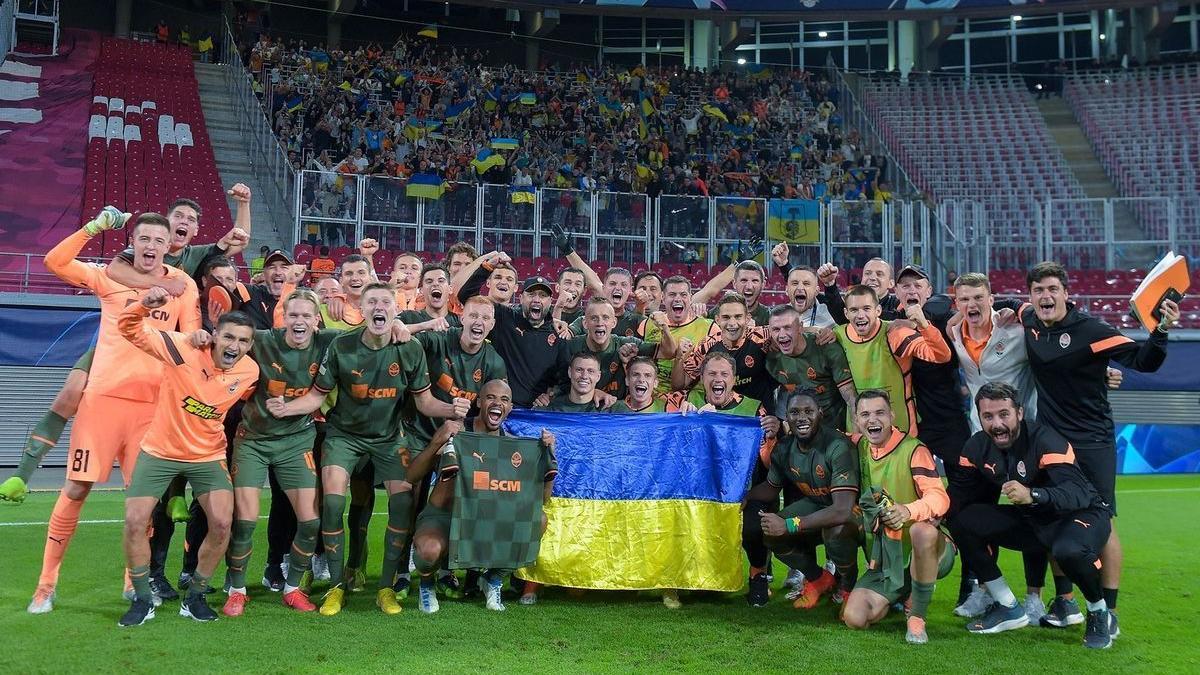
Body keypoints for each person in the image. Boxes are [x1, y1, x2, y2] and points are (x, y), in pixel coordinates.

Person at [26, 210, 201, 614]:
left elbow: (189, 340)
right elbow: (55, 263)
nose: (152, 247)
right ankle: (46, 586)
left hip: (152, 408)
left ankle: (132, 582)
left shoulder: (182, 285)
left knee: (143, 499)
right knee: (76, 488)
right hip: (102, 402)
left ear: (169, 245)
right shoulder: (109, 276)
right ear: (133, 242)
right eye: (144, 239)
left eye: (159, 240)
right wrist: (94, 228)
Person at [265, 282, 470, 616]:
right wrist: (286, 408)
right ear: (361, 309)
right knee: (331, 504)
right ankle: (336, 586)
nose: (379, 307)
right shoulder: (342, 345)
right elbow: (318, 396)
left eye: (385, 302)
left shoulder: (411, 348)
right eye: (371, 301)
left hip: (389, 438)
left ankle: (386, 587)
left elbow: (425, 401)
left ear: (394, 311)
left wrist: (451, 409)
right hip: (343, 436)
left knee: (403, 503)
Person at [1020, 261, 1177, 636]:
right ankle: (1065, 602)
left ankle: (1111, 609)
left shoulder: (1092, 330)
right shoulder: (1028, 320)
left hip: (1092, 442)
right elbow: (1008, 305)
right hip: (1051, 442)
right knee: (1056, 516)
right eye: (1039, 290)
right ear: (1031, 296)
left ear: (1066, 294)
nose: (1046, 296)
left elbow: (1144, 362)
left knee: (1102, 525)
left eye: (1053, 289)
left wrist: (1163, 329)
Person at [116, 290, 257, 626]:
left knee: (222, 524)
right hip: (159, 451)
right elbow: (128, 329)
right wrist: (142, 306)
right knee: (136, 521)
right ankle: (141, 597)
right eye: (228, 337)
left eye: (243, 341)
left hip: (207, 455)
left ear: (250, 346)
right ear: (214, 335)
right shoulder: (183, 348)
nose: (234, 346)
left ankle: (194, 595)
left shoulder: (249, 372)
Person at [951, 383, 1115, 649]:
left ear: (1019, 412)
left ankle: (1098, 612)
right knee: (962, 520)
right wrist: (928, 517)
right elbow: (958, 496)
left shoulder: (1046, 440)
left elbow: (1076, 494)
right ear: (979, 418)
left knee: (1069, 551)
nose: (997, 424)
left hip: (1082, 516)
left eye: (1004, 414)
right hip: (1035, 521)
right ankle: (1007, 605)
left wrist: (1034, 495)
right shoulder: (976, 446)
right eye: (988, 417)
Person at [220, 289, 341, 616]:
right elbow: (225, 338)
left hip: (297, 442)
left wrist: (404, 328)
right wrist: (199, 336)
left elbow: (371, 334)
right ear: (283, 318)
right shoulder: (260, 340)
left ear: (317, 320)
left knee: (310, 521)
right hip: (254, 441)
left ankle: (292, 588)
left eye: (306, 316)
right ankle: (236, 588)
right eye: (293, 315)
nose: (299, 321)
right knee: (244, 521)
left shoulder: (329, 341)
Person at [409, 381, 557, 614]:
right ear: (479, 402)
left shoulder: (512, 446)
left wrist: (549, 455)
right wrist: (437, 440)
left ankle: (493, 579)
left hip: (487, 519)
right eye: (491, 397)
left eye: (504, 400)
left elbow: (542, 500)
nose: (497, 403)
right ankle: (427, 584)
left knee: (538, 520)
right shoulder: (457, 432)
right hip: (445, 517)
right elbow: (411, 475)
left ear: (509, 409)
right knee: (428, 550)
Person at [666, 352, 780, 606]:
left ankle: (759, 574)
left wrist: (771, 438)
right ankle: (681, 579)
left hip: (744, 493)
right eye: (712, 374)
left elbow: (768, 463)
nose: (718, 379)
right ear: (702, 379)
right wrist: (684, 422)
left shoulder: (753, 409)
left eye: (724, 374)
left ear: (734, 379)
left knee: (752, 525)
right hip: (698, 493)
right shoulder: (686, 403)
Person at [842, 390, 953, 645]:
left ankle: (917, 619)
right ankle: (904, 592)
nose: (873, 420)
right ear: (857, 420)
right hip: (886, 562)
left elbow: (940, 498)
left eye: (880, 413)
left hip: (929, 551)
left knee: (921, 531)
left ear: (892, 415)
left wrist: (907, 511)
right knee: (855, 618)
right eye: (866, 414)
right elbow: (822, 436)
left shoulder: (914, 450)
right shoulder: (858, 446)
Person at [746, 390, 860, 609]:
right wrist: (741, 497)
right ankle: (818, 579)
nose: (801, 417)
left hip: (853, 513)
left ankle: (847, 589)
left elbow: (842, 510)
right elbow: (770, 488)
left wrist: (789, 524)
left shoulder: (837, 446)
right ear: (786, 418)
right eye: (794, 412)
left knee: (835, 531)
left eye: (808, 411)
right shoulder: (784, 448)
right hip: (818, 506)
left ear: (821, 413)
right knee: (768, 530)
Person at [834, 285, 951, 435]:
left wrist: (924, 325)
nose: (860, 315)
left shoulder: (896, 334)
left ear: (878, 311)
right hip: (859, 430)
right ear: (846, 313)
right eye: (854, 310)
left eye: (867, 308)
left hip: (899, 429)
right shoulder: (838, 335)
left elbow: (941, 355)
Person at [459, 259, 562, 408]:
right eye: (531, 294)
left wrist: (552, 393)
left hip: (536, 414)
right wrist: (486, 267)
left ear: (550, 301)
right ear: (521, 298)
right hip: (499, 410)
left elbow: (565, 377)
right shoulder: (505, 317)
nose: (537, 299)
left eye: (542, 295)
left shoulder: (559, 334)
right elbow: (466, 296)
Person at [556, 297, 675, 398]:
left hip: (616, 413)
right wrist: (593, 393)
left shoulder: (627, 344)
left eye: (605, 317)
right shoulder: (571, 346)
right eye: (594, 318)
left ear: (614, 322)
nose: (600, 323)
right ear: (585, 323)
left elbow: (669, 353)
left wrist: (664, 327)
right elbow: (560, 386)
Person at [673, 293, 774, 403]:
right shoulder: (706, 345)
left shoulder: (762, 337)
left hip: (759, 414)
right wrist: (679, 358)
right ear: (717, 320)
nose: (732, 323)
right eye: (726, 317)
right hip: (723, 415)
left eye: (738, 317)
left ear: (747, 318)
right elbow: (679, 385)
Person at [765, 305, 856, 426]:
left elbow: (851, 399)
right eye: (776, 329)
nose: (782, 334)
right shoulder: (770, 357)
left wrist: (856, 437)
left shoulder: (826, 347)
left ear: (800, 327)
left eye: (788, 327)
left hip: (833, 427)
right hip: (799, 431)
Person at [637, 275, 716, 395]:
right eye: (672, 294)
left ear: (690, 298)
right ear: (663, 298)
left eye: (683, 295)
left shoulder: (710, 328)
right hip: (652, 398)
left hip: (690, 398)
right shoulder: (647, 324)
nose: (677, 299)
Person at [398, 264, 463, 332]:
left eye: (441, 281)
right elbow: (389, 329)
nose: (435, 284)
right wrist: (424, 326)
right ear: (421, 290)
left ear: (450, 289)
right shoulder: (408, 317)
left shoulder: (460, 322)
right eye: (429, 281)